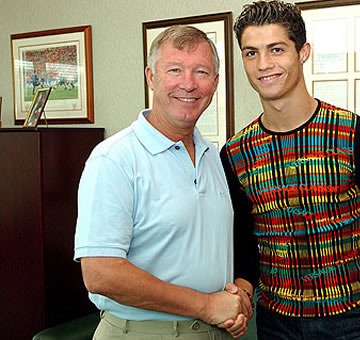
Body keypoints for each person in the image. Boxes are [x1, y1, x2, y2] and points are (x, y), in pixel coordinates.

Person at [220, 1, 360, 339]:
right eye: (251, 53)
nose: (263, 64)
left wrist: (333, 252)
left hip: (351, 319)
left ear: (303, 52)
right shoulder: (235, 153)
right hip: (275, 321)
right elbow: (244, 241)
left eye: (276, 49)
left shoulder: (354, 134)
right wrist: (242, 292)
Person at [74, 25, 252, 340]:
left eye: (201, 72)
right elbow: (100, 274)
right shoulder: (114, 159)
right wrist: (207, 305)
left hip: (217, 330)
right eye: (174, 70)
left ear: (215, 83)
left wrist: (239, 299)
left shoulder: (214, 155)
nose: (188, 83)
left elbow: (222, 245)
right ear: (151, 77)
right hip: (143, 332)